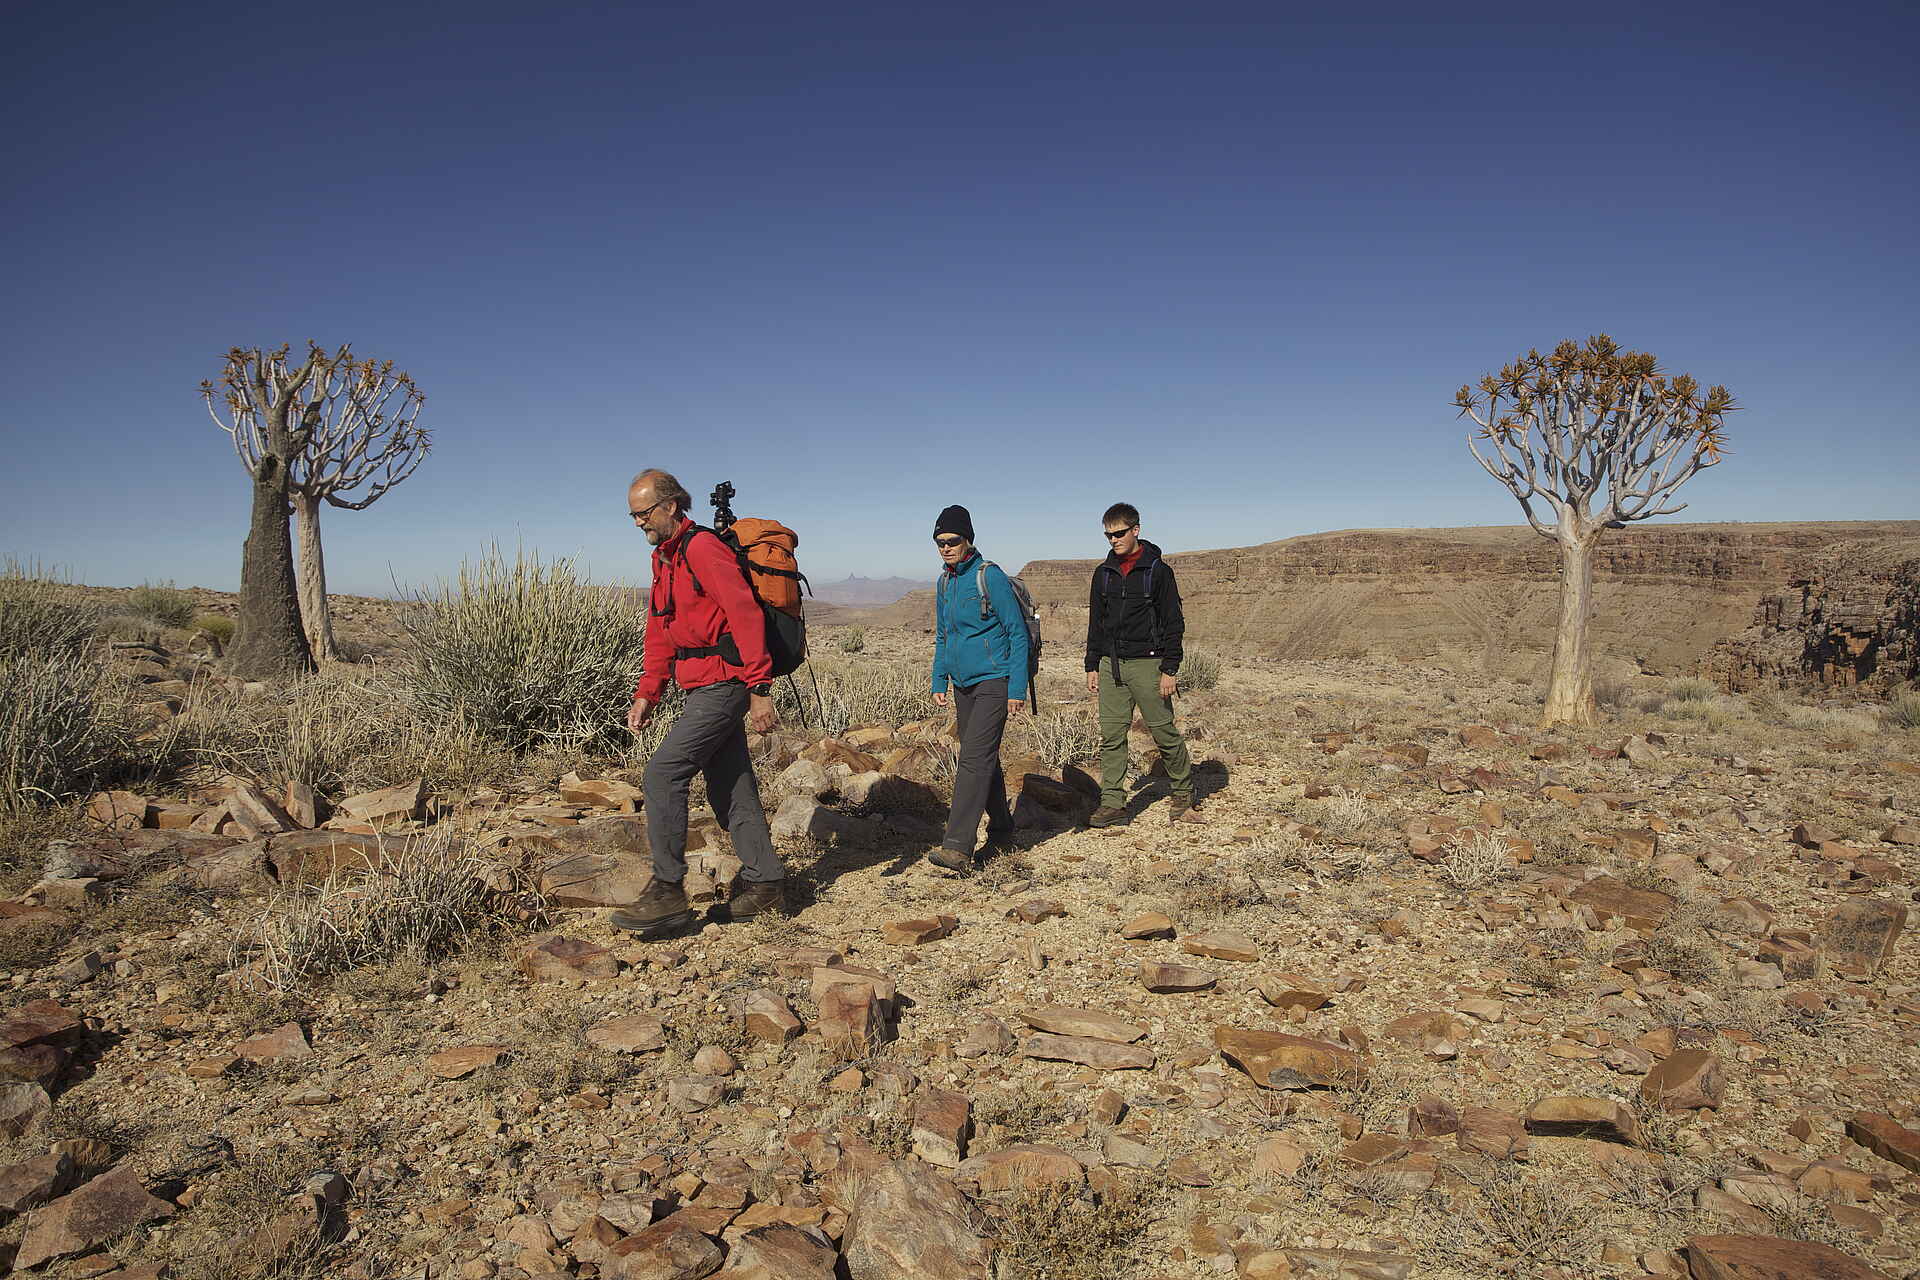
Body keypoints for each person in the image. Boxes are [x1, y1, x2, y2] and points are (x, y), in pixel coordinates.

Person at [611, 469, 788, 934]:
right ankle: (765, 879)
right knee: (731, 784)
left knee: (664, 773)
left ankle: (668, 890)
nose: (637, 523)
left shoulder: (703, 549)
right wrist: (649, 690)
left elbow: (744, 613)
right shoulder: (664, 559)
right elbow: (661, 627)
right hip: (699, 682)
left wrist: (759, 688)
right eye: (632, 515)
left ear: (670, 505)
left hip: (725, 682)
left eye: (643, 513)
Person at [1084, 502, 1201, 826]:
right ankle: (1113, 804)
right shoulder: (1103, 573)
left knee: (1163, 732)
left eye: (1119, 533)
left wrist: (1170, 669)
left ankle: (1183, 794)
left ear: (1136, 530)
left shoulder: (1157, 571)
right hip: (1112, 665)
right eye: (1108, 535)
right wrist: (1092, 664)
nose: (1113, 540)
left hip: (1149, 665)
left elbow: (1173, 622)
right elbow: (1097, 622)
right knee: (1111, 736)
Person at [928, 504, 1030, 872]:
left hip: (994, 680)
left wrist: (1016, 688)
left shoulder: (990, 577)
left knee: (972, 758)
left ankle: (957, 846)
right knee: (983, 757)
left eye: (952, 540)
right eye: (939, 542)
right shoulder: (944, 582)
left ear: (968, 539)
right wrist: (939, 678)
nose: (945, 547)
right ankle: (1003, 830)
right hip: (962, 684)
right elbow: (943, 635)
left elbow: (1017, 634)